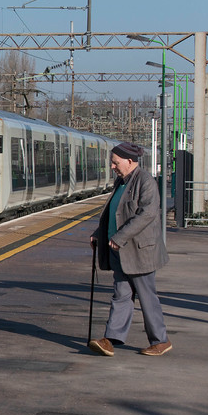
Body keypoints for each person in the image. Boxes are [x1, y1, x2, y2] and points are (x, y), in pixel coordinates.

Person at [88, 141, 172, 357]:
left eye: (115, 163)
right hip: (119, 250)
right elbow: (114, 214)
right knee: (121, 295)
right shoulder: (121, 182)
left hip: (139, 250)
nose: (112, 167)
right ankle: (110, 339)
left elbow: (147, 214)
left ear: (129, 161)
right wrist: (99, 234)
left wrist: (120, 236)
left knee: (146, 297)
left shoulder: (145, 181)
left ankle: (160, 340)